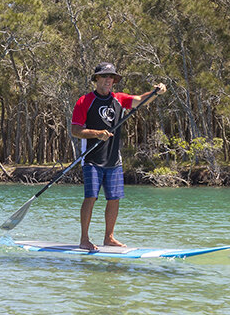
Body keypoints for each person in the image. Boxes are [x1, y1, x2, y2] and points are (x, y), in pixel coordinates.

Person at [70, 63, 166, 250]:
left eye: (112, 77)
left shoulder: (119, 99)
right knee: (91, 197)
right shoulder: (84, 101)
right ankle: (84, 239)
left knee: (114, 198)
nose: (109, 80)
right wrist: (97, 133)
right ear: (96, 79)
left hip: (113, 160)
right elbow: (76, 130)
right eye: (105, 76)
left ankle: (109, 238)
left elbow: (139, 100)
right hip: (91, 159)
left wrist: (155, 92)